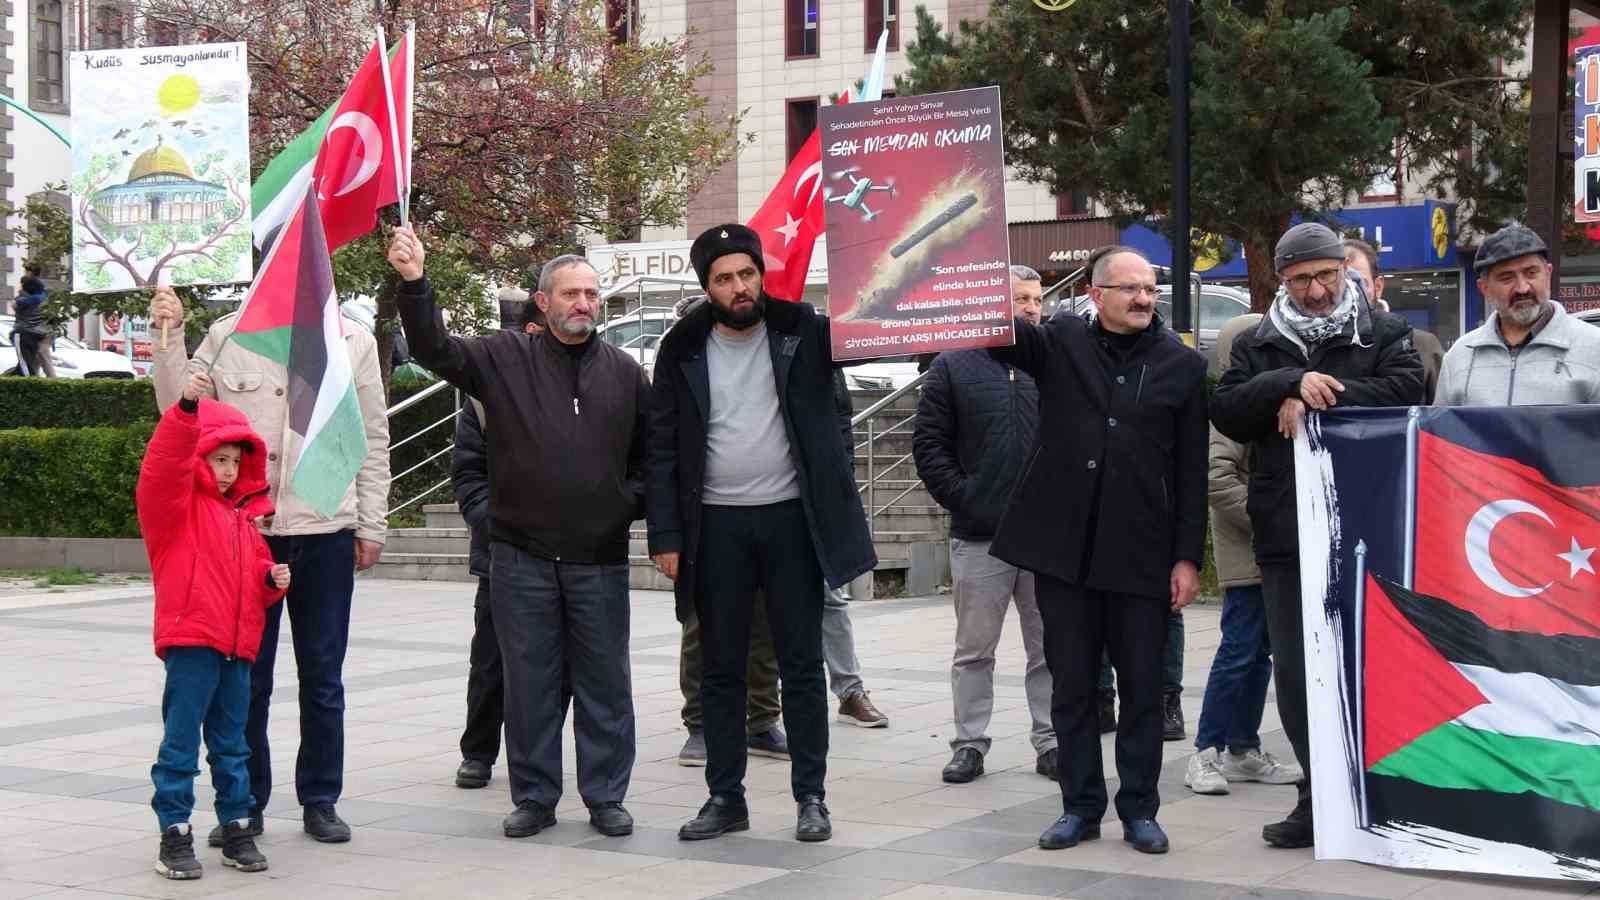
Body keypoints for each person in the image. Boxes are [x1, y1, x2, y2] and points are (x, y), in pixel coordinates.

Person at [390, 230, 646, 840]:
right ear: (542, 300)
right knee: (528, 683)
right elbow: (435, 350)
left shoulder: (627, 374)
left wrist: (624, 504)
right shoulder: (504, 359)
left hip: (599, 560)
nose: (584, 303)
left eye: (592, 293)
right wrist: (415, 283)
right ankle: (534, 796)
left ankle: (606, 796)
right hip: (522, 559)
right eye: (571, 293)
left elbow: (652, 459)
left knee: (605, 684)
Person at [646, 224, 876, 844]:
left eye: (746, 273)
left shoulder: (805, 328)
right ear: (707, 288)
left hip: (791, 523)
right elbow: (661, 448)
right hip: (714, 528)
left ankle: (812, 798)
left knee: (801, 665)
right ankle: (726, 798)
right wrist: (665, 535)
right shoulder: (681, 347)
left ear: (760, 274)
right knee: (720, 667)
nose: (739, 286)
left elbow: (849, 387)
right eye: (724, 278)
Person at [148, 283, 391, 847]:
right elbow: (178, 413)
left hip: (325, 528)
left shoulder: (351, 341)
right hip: (246, 531)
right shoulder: (229, 333)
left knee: (323, 677)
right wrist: (170, 336)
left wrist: (371, 522)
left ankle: (321, 799)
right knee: (245, 681)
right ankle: (244, 805)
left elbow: (373, 438)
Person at [1212, 222, 1423, 849]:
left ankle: (1383, 792)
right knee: (1300, 675)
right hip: (1286, 533)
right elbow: (1226, 407)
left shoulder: (1384, 331)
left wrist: (1319, 395)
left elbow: (1407, 389)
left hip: (1368, 525)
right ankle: (1316, 797)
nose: (1314, 290)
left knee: (1373, 665)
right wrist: (1284, 382)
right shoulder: (1259, 340)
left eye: (1325, 275)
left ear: (1345, 270)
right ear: (1282, 279)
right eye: (1301, 279)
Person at [991, 246, 1208, 855]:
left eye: (1150, 288)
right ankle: (1079, 807)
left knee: (1142, 689)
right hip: (1065, 555)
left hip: (1142, 555)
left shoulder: (1181, 366)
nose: (1143, 298)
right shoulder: (1058, 340)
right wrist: (970, 260)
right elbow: (997, 332)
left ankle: (1140, 809)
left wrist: (1187, 557)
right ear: (1095, 293)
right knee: (1074, 688)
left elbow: (1192, 470)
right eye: (1129, 288)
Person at [137, 371, 289, 880]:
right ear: (198, 457)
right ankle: (174, 832)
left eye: (234, 461)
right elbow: (164, 466)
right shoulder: (173, 509)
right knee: (181, 742)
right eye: (217, 458)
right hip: (192, 642)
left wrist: (272, 580)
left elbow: (254, 586)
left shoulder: (244, 519)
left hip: (237, 648)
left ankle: (236, 824)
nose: (226, 471)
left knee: (232, 743)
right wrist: (184, 409)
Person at [913, 264, 1058, 785]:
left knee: (1051, 648)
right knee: (975, 650)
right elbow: (928, 446)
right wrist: (965, 497)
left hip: (1046, 534)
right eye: (1021, 299)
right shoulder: (952, 366)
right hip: (981, 536)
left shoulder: (1054, 364)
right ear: (994, 304)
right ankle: (969, 744)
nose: (1032, 309)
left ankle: (1052, 740)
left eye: (1037, 299)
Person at [1183, 314, 1304, 796]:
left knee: (1261, 656)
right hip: (1251, 552)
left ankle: (1243, 748)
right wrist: (1270, 521)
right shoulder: (1232, 407)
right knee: (1239, 651)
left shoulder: (1277, 398)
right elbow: (1216, 478)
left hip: (1276, 551)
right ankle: (1205, 751)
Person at [452, 297, 546, 790]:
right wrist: (494, 521)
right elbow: (467, 473)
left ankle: (539, 759)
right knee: (490, 659)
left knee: (557, 666)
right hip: (499, 552)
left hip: (561, 552)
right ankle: (479, 752)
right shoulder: (482, 400)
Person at [1435, 224, 1600, 406]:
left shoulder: (1594, 348)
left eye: (1531, 273)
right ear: (1485, 288)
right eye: (1507, 278)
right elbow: (1439, 431)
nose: (1522, 288)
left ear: (1548, 274)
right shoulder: (1459, 356)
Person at [1342, 238, 1444, 403]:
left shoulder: (1423, 345)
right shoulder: (1310, 348)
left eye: (1359, 283)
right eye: (1342, 285)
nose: (1351, 294)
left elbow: (1442, 417)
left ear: (1378, 287)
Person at [11, 275, 54, 377]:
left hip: (26, 333)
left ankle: (29, 383)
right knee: (37, 361)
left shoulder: (28, 299)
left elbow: (14, 305)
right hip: (43, 333)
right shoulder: (45, 297)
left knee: (25, 364)